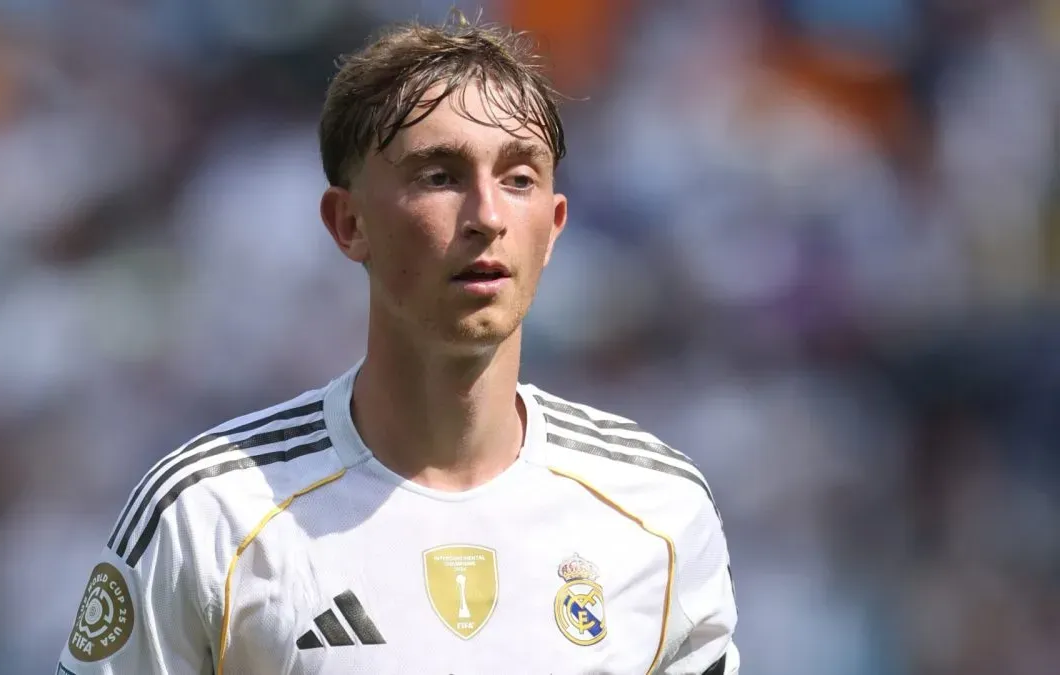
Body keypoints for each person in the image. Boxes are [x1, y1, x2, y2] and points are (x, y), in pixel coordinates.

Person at [57, 13, 739, 675]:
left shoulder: (658, 510)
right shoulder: (208, 515)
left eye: (519, 178)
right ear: (348, 222)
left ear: (555, 225)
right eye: (440, 176)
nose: (488, 217)